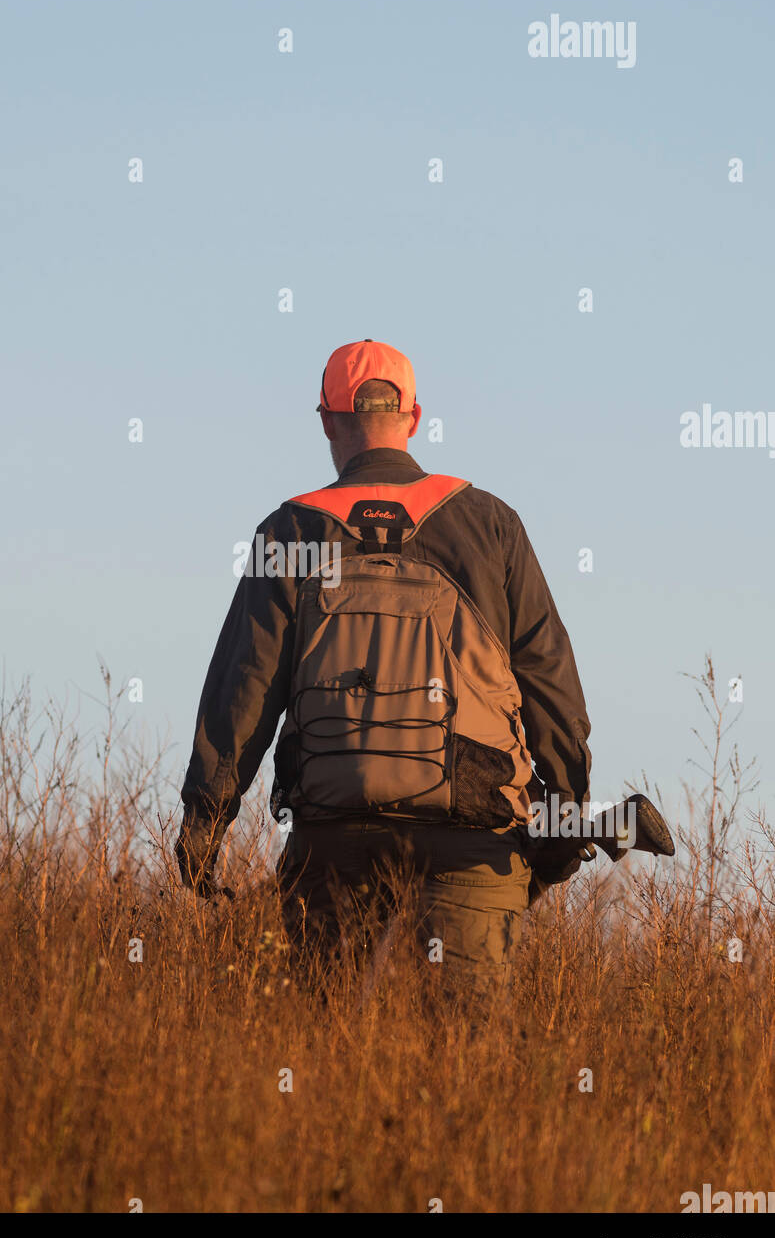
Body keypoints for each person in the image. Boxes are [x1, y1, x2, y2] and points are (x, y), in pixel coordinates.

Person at [175, 339, 596, 1003]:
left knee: (323, 1035)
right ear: (414, 416)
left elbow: (245, 687)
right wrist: (567, 804)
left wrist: (206, 817)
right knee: (466, 1048)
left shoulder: (289, 530)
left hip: (334, 829)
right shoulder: (489, 523)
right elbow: (548, 678)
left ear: (326, 420)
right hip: (471, 821)